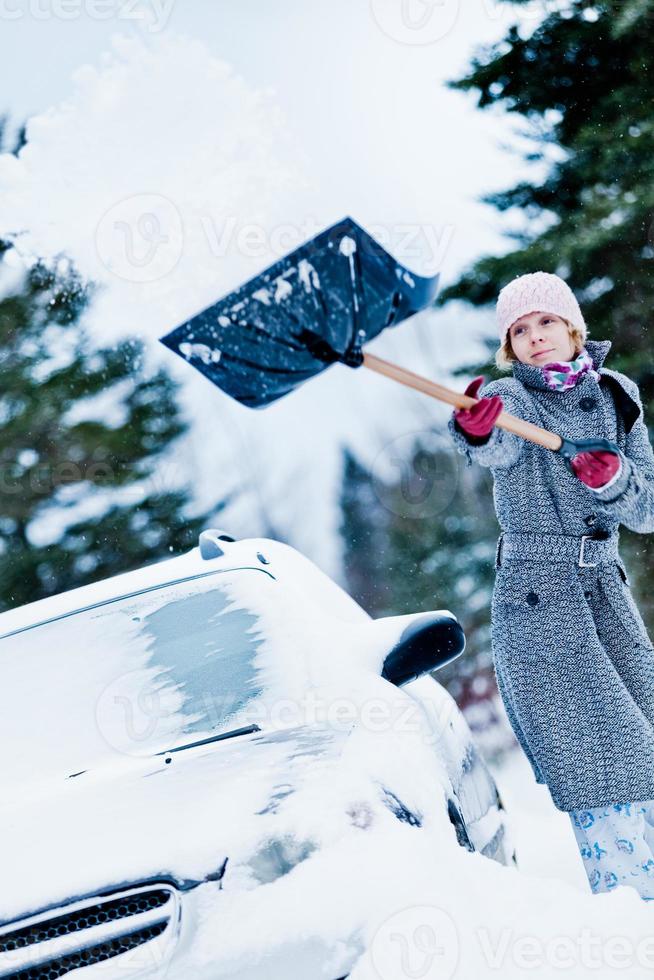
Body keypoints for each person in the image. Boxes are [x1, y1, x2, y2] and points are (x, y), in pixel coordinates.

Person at [448, 271, 654, 901]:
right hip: (541, 600)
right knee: (603, 757)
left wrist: (611, 478)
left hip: (605, 593)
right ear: (510, 347)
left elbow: (646, 511)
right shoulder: (512, 398)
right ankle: (631, 909)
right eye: (520, 330)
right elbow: (492, 448)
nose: (535, 337)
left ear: (572, 328)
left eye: (545, 322)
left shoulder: (617, 397)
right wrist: (478, 426)